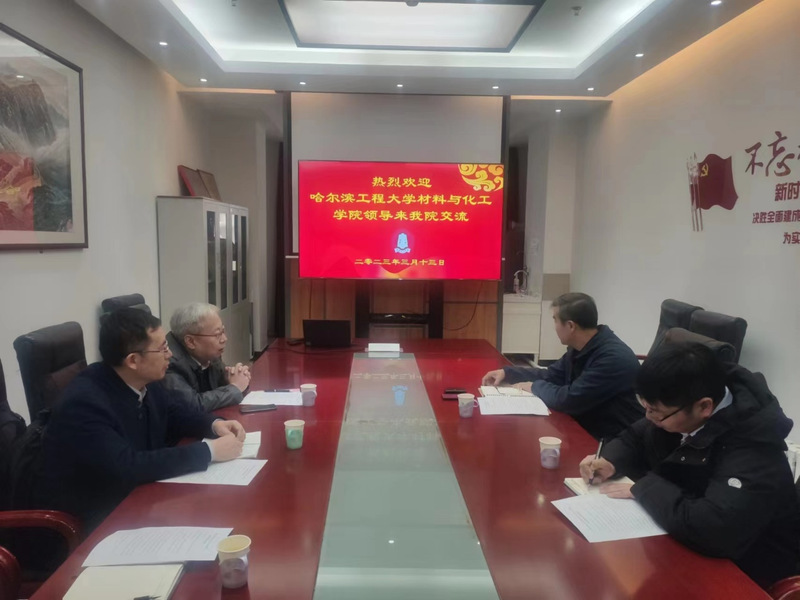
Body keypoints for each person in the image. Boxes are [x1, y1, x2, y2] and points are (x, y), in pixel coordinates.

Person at [579, 342, 800, 589]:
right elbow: (636, 436)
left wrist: (644, 488)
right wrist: (610, 460)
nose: (649, 417)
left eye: (655, 412)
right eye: (645, 407)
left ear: (704, 406)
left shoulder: (755, 447)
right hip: (681, 541)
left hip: (747, 574)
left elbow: (715, 530)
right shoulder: (677, 408)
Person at [37, 308, 245, 531]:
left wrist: (214, 424)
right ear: (134, 360)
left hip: (137, 499)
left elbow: (174, 413)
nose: (170, 354)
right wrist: (209, 452)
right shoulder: (84, 403)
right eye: (162, 349)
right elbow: (127, 466)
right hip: (94, 520)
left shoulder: (142, 380)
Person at [482, 292, 642, 439]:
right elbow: (552, 375)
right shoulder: (581, 347)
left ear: (571, 326)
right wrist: (508, 373)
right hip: (586, 429)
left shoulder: (612, 358)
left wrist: (534, 386)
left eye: (555, 320)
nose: (554, 327)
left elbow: (571, 399)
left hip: (614, 441)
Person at [164, 302, 250, 411]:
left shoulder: (208, 354)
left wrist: (235, 377)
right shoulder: (169, 362)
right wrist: (235, 388)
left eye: (223, 331)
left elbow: (220, 383)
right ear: (190, 341)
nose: (224, 339)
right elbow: (192, 405)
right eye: (217, 334)